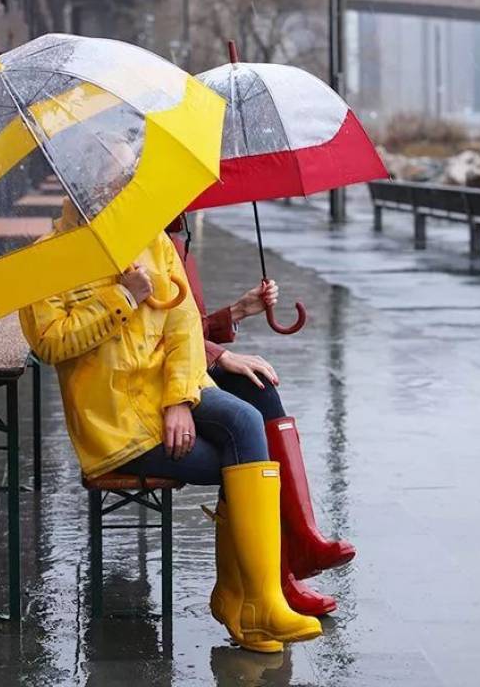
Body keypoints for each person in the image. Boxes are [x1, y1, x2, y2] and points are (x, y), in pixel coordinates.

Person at [19, 228, 322, 653]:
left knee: (248, 419)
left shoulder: (151, 239)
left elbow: (182, 327)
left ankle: (259, 598)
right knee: (239, 462)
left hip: (169, 393)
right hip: (117, 423)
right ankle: (243, 600)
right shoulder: (47, 255)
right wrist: (122, 298)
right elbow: (49, 343)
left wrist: (179, 399)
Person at [167, 219, 356, 619]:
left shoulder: (175, 237)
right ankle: (284, 568)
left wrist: (237, 311)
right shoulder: (143, 241)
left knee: (260, 388)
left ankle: (290, 560)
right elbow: (150, 332)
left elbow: (183, 327)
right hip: (160, 382)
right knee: (248, 416)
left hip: (183, 367)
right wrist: (221, 356)